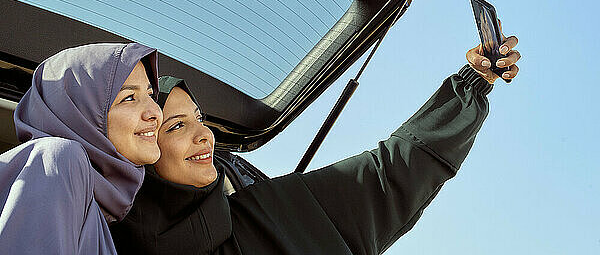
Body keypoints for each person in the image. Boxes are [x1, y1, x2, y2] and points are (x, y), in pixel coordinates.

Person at [110, 36, 520, 255]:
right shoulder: (98, 236)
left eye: (200, 119)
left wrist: (470, 86)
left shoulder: (274, 211)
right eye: (177, 126)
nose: (206, 135)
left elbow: (387, 175)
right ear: (141, 149)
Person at [0, 43, 164, 254]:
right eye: (129, 98)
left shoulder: (97, 211)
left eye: (150, 95)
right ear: (78, 113)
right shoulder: (58, 159)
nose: (155, 113)